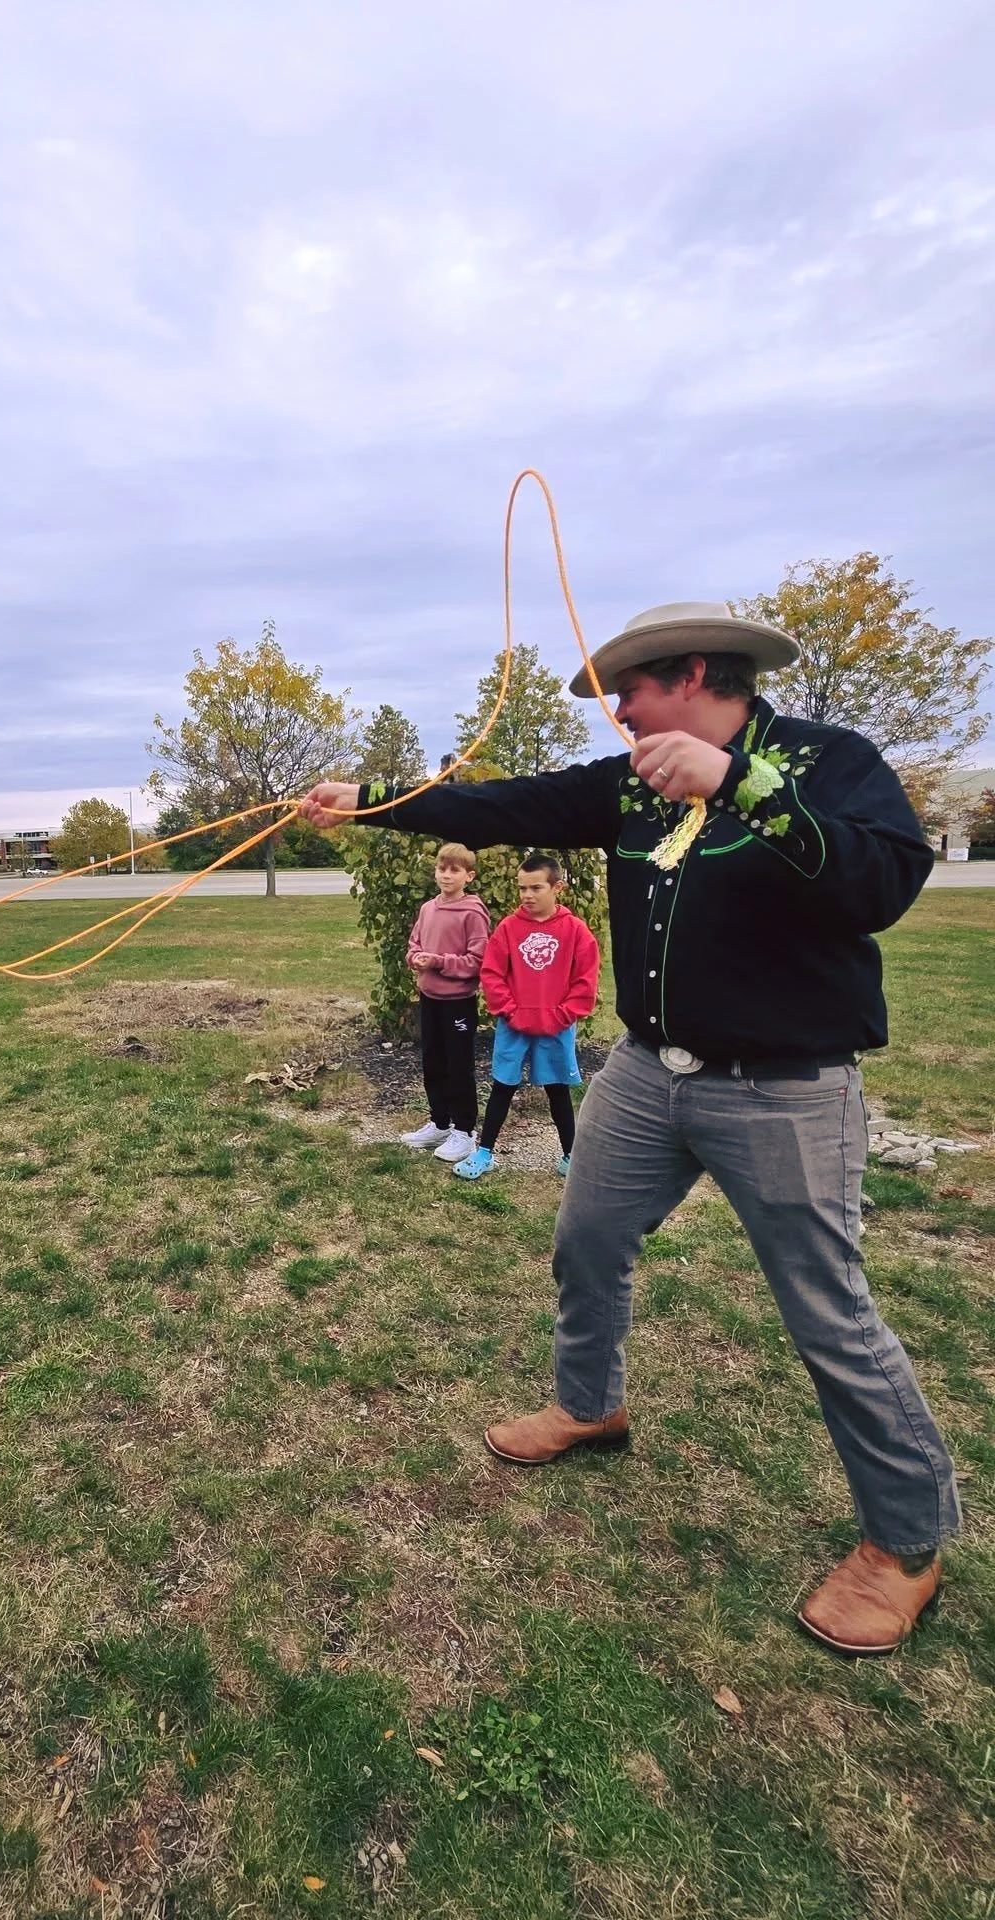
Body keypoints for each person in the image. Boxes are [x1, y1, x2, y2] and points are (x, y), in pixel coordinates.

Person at [302, 601, 958, 1656]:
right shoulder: (627, 785)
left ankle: (907, 1543)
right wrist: (372, 801)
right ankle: (590, 1406)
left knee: (828, 1315)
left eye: (631, 691)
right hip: (649, 1076)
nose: (616, 710)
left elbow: (882, 883)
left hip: (785, 1088)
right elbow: (502, 803)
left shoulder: (829, 761)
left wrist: (740, 786)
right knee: (587, 1240)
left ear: (694, 675)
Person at [456, 853, 600, 1181]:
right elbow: (492, 973)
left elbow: (585, 981)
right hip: (514, 1024)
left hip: (556, 1027)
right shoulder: (509, 928)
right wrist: (509, 1010)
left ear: (557, 887)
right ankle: (484, 1153)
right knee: (502, 1086)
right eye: (522, 888)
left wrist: (563, 1015)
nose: (527, 895)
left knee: (557, 1089)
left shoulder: (575, 931)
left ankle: (570, 1156)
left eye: (536, 887)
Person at [399, 842, 491, 1163]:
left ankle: (464, 1132)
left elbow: (477, 961)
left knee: (458, 1066)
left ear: (469, 876)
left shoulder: (473, 912)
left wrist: (437, 961)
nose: (446, 875)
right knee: (433, 1062)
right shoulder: (428, 909)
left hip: (458, 1003)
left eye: (454, 870)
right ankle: (439, 1123)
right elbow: (414, 945)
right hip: (430, 998)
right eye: (442, 868)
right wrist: (416, 958)